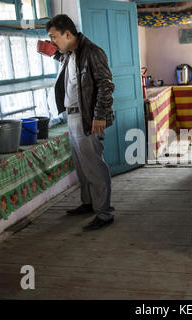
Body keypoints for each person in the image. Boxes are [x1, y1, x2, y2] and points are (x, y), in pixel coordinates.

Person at [46, 14, 115, 231]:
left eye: (54, 37)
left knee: (93, 165)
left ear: (67, 33)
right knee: (81, 165)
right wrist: (52, 53)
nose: (53, 41)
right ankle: (88, 203)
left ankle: (105, 212)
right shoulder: (69, 54)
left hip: (88, 117)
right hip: (72, 116)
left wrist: (99, 116)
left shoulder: (92, 52)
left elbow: (106, 85)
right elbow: (73, 72)